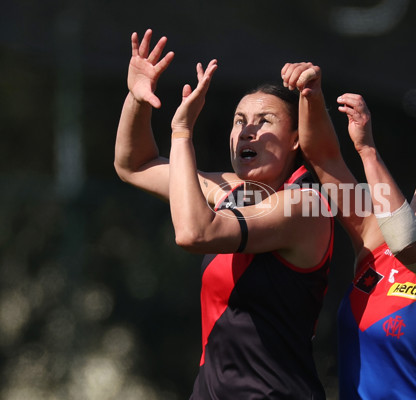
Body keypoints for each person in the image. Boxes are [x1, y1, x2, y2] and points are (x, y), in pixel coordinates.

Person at [114, 30, 334, 399]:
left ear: (297, 139)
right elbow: (134, 165)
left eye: (264, 120)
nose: (247, 130)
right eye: (238, 120)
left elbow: (194, 234)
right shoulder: (232, 190)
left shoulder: (305, 205)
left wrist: (181, 133)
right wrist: (136, 99)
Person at [281, 62, 416, 399]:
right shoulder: (376, 242)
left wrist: (367, 150)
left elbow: (408, 243)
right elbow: (324, 159)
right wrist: (309, 95)